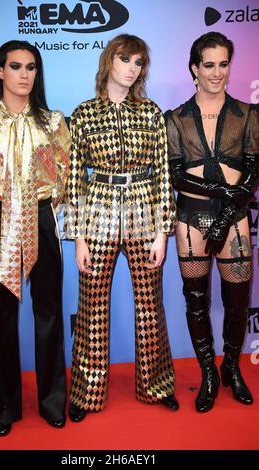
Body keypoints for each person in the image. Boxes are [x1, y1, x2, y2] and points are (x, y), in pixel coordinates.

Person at [0, 40, 71, 435]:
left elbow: (64, 180)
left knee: (50, 311)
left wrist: (42, 205)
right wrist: (0, 205)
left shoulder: (55, 122)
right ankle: (4, 407)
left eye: (32, 67)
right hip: (2, 219)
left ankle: (53, 401)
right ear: (0, 71)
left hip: (43, 219)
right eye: (16, 66)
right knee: (2, 315)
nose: (25, 75)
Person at [65, 34, 178, 423]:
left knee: (150, 305)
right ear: (109, 60)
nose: (132, 68)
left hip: (145, 207)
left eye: (139, 63)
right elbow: (75, 180)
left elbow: (163, 173)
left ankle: (157, 385)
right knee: (92, 306)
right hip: (97, 208)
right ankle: (85, 392)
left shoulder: (150, 113)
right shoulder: (83, 114)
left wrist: (163, 231)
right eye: (126, 59)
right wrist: (77, 235)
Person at [165, 31, 259, 413]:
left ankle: (231, 368)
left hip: (235, 221)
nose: (217, 72)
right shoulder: (176, 118)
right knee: (196, 301)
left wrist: (233, 204)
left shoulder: (248, 114)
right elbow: (175, 175)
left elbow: (253, 167)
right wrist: (225, 195)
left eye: (223, 64)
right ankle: (208, 373)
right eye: (209, 65)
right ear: (194, 68)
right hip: (191, 219)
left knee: (237, 302)